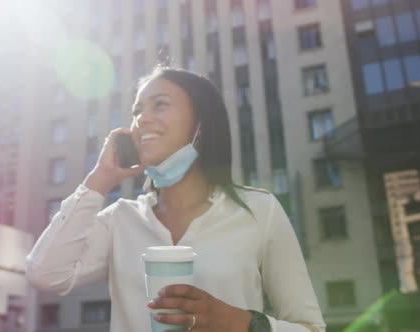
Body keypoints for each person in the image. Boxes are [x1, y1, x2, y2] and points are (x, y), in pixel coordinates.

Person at [26, 67, 326, 332]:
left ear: (201, 123)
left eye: (160, 105)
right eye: (136, 111)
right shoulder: (121, 219)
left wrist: (245, 324)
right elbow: (45, 273)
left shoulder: (260, 211)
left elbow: (310, 327)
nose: (142, 119)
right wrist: (99, 179)